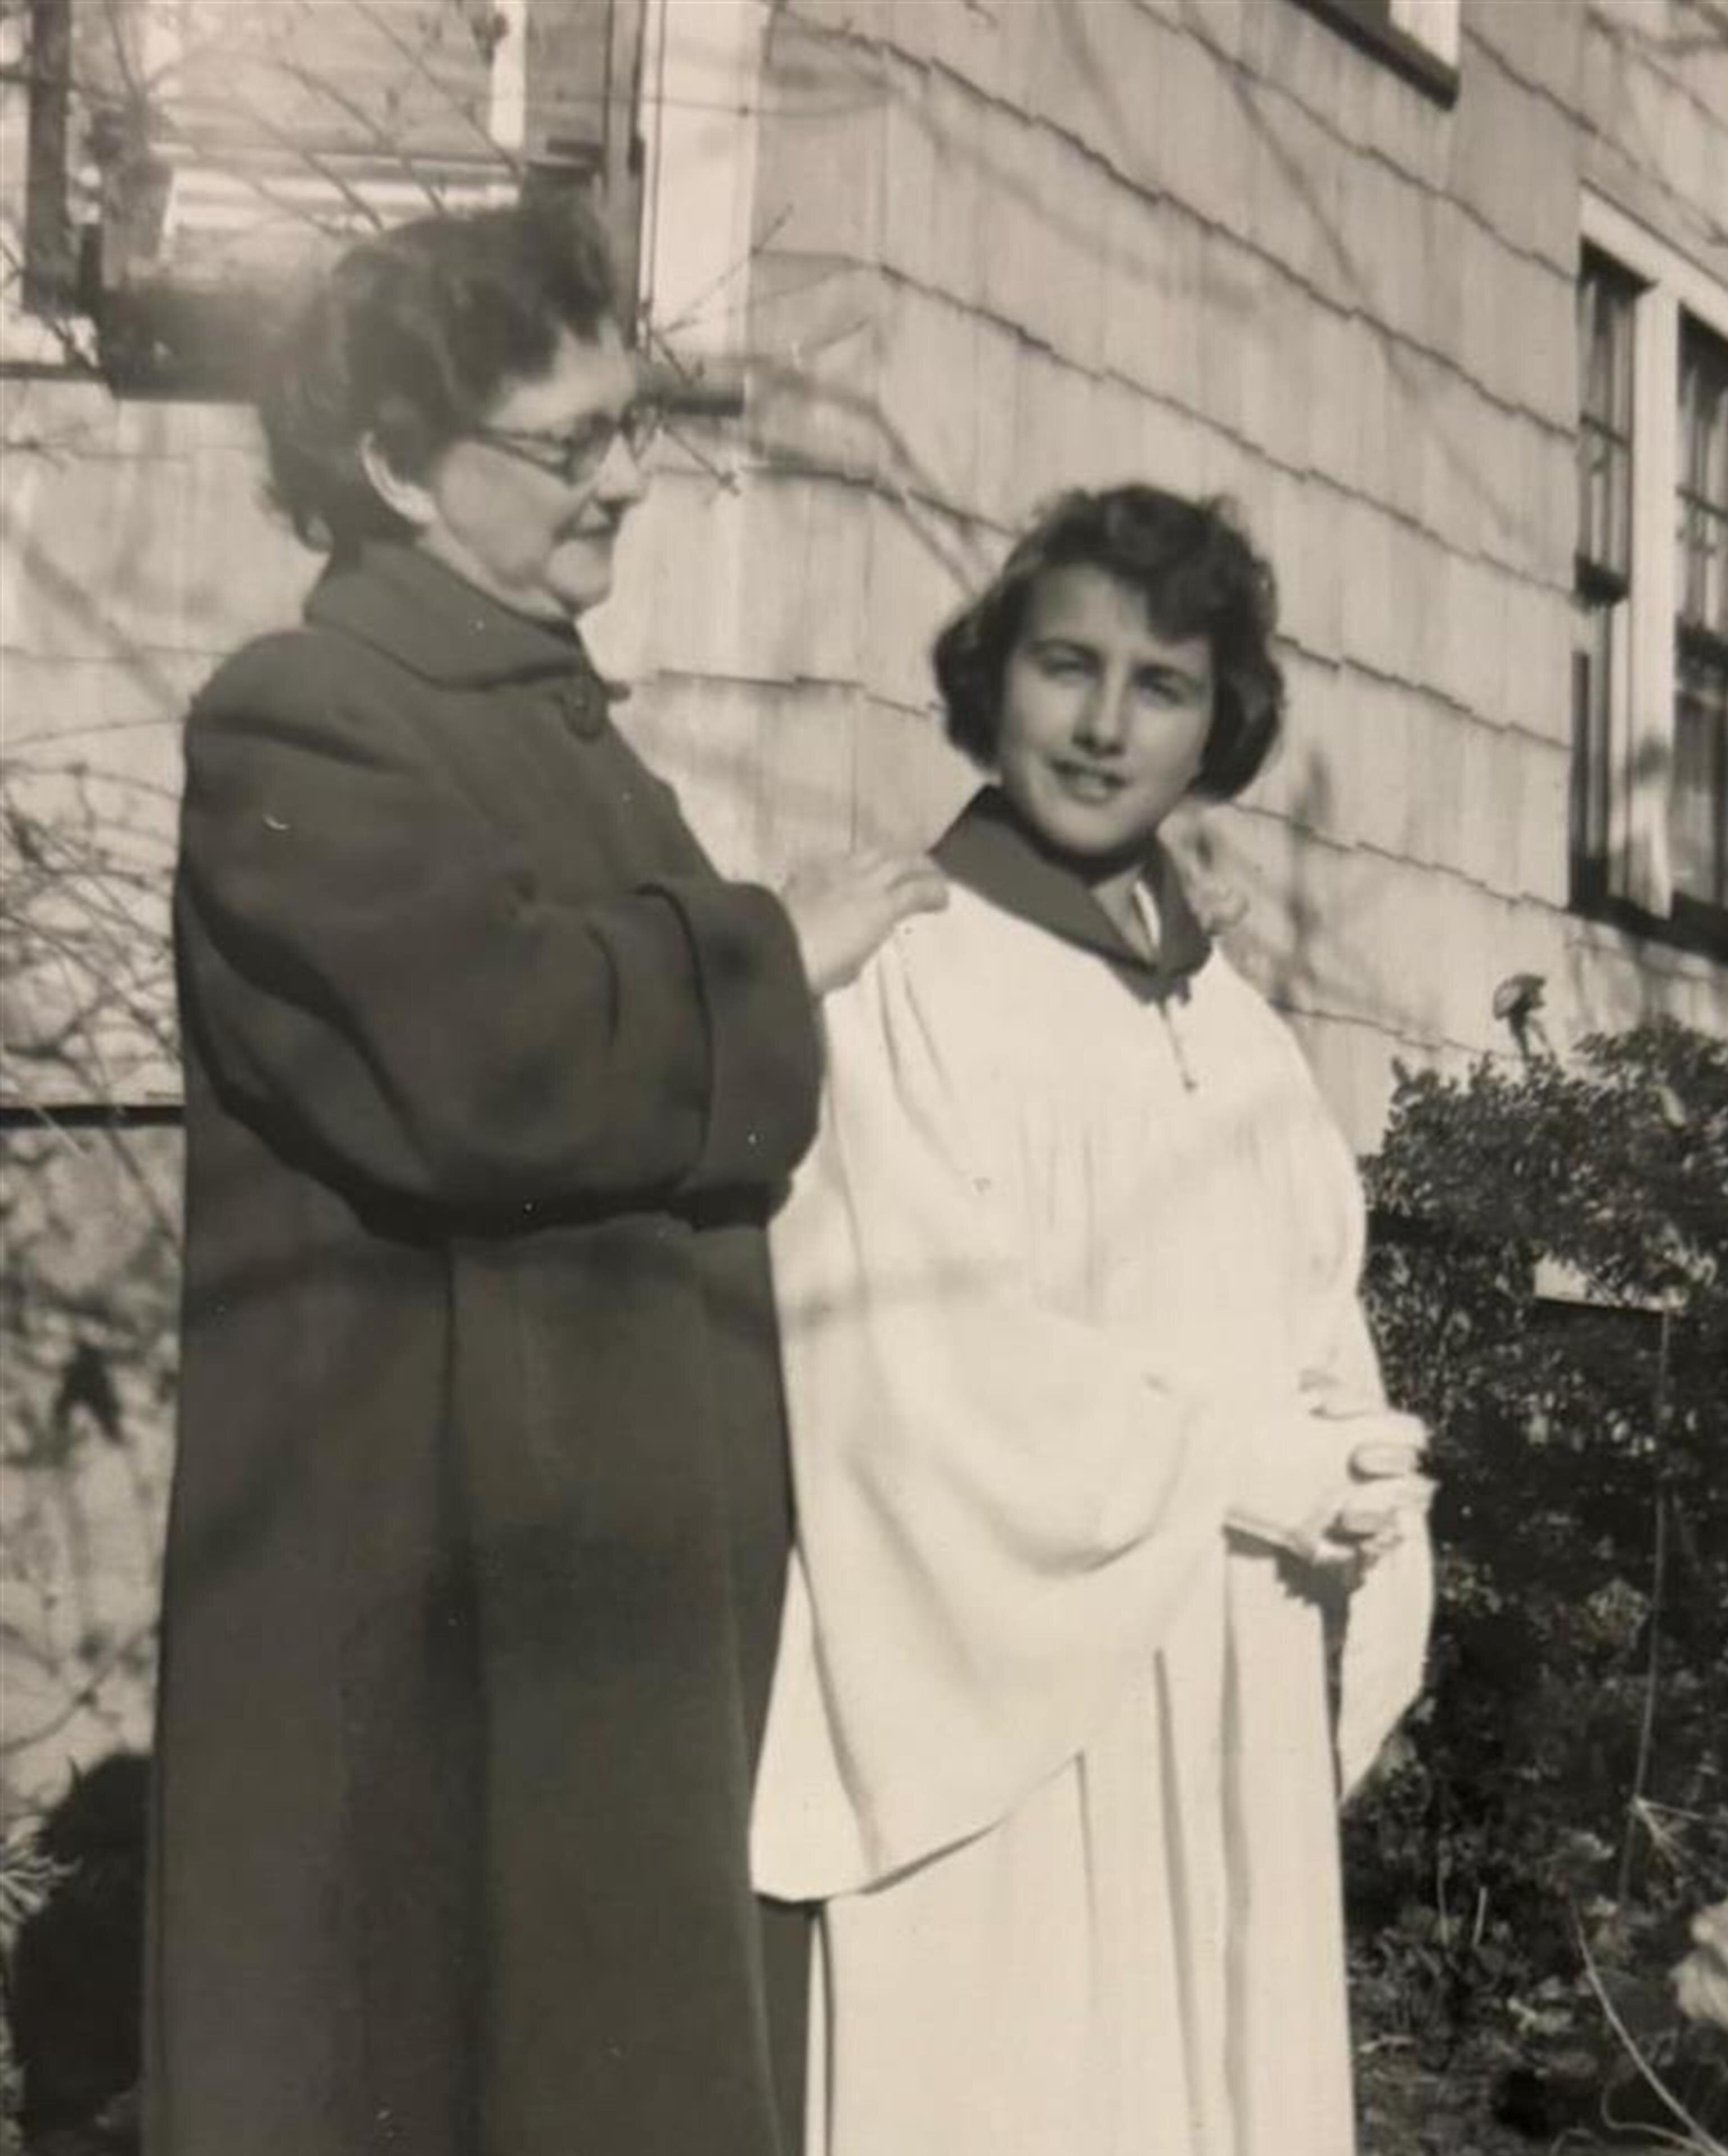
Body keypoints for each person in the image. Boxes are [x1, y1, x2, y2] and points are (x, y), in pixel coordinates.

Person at [150, 194, 941, 2155]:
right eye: (572, 442)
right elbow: (500, 1059)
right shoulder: (308, 718)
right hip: (434, 1547)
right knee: (442, 2043)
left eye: (630, 426)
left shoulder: (548, 720)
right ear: (399, 467)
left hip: (596, 1543)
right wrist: (773, 950)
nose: (628, 483)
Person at [751, 485, 1437, 2154]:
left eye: (1163, 686)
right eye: (1068, 666)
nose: (1105, 727)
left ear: (1219, 726)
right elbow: (909, 1352)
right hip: (1014, 1682)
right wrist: (1235, 1468)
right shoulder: (908, 976)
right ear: (993, 680)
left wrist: (1363, 1476)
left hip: (1233, 1652)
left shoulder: (1238, 1030)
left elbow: (1311, 1311)